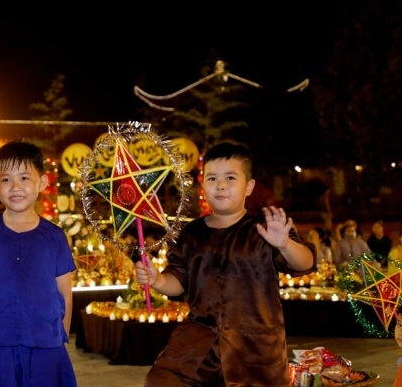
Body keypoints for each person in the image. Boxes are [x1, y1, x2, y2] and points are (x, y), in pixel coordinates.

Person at [135, 142, 316, 386]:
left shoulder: (264, 228)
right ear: (203, 185)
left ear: (248, 186)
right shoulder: (192, 233)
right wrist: (156, 280)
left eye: (230, 177)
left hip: (254, 347)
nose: (220, 185)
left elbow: (305, 263)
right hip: (197, 345)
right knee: (159, 382)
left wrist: (284, 244)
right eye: (212, 178)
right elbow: (178, 281)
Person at [0, 140, 77, 387]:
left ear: (42, 182)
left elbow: (65, 295)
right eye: (6, 179)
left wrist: (61, 336)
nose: (15, 187)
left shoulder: (55, 236)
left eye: (25, 178)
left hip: (46, 342)